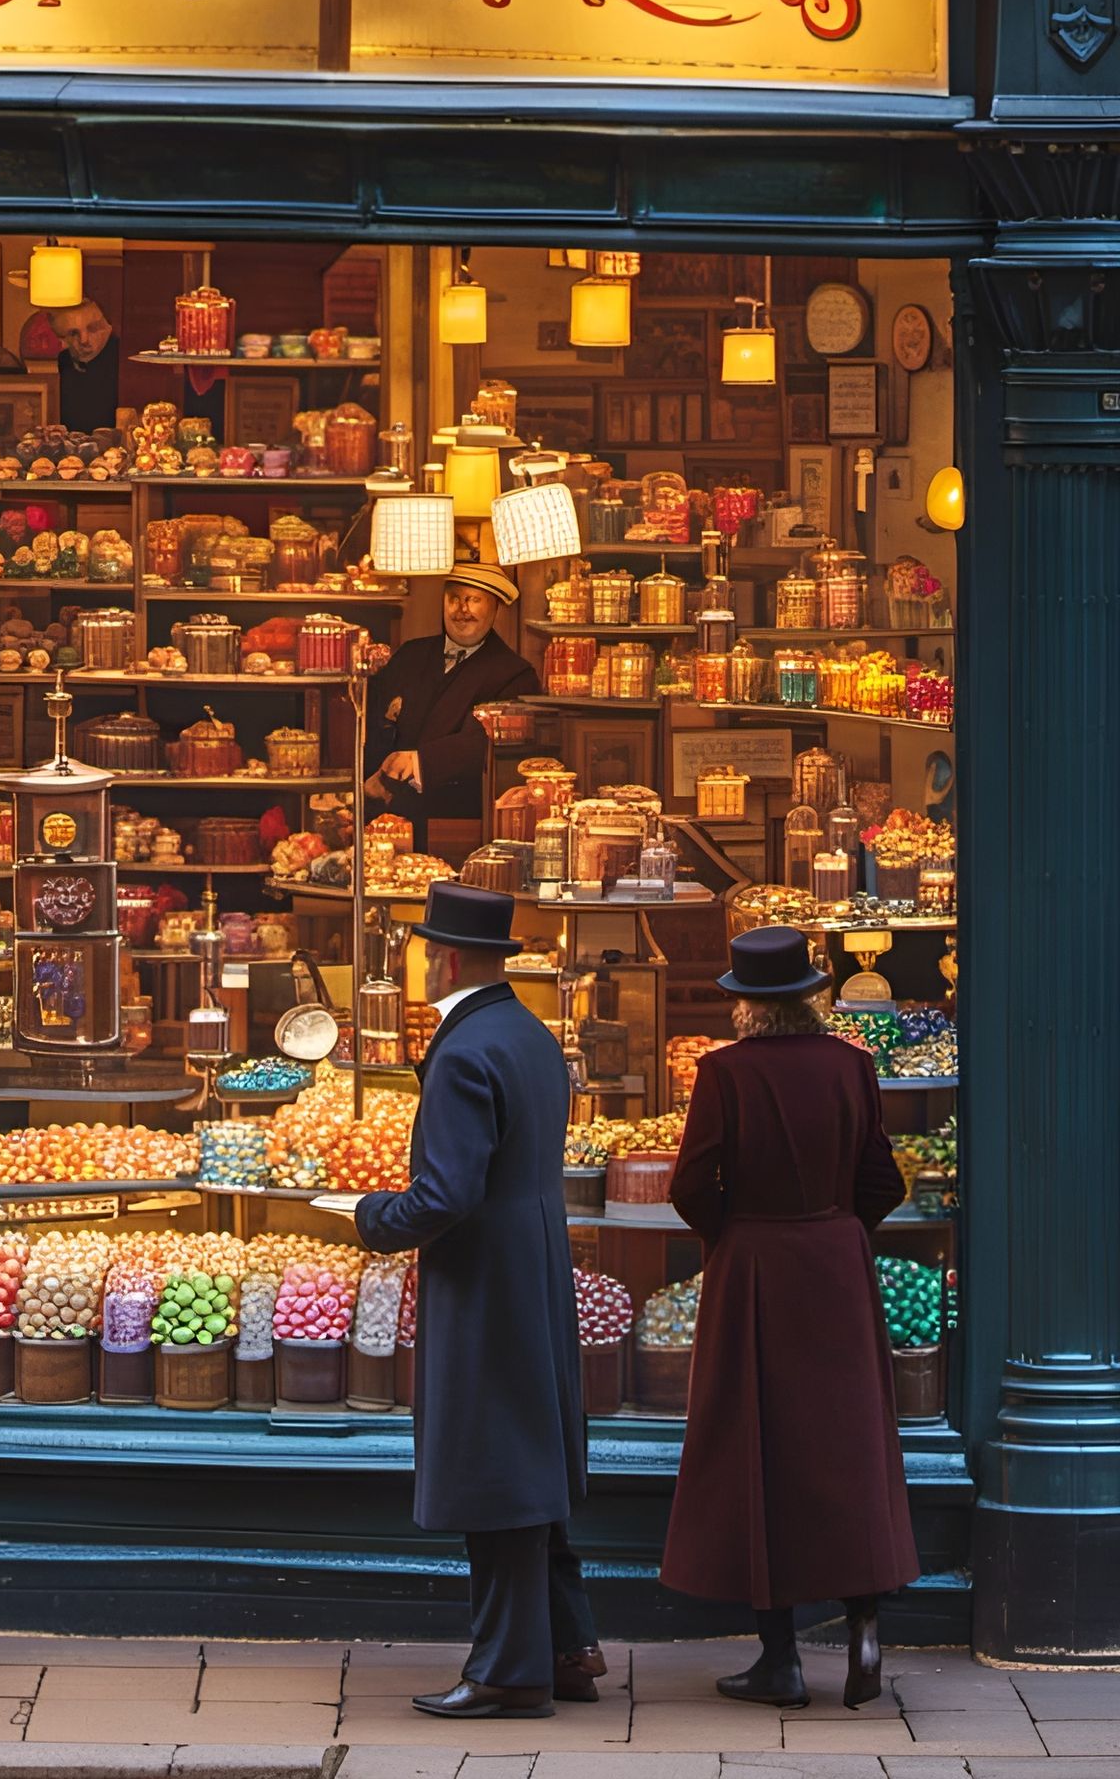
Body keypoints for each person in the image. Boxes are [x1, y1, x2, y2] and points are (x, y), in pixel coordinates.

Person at [354, 882, 600, 1718]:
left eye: (422, 947)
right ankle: (568, 1646)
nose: (416, 959)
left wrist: (366, 1216)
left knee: (497, 1466)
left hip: (485, 1279)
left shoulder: (462, 1052)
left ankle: (508, 1670)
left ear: (447, 956)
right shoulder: (528, 1033)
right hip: (534, 1264)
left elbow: (443, 1196)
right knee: (533, 1456)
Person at [660, 924, 919, 1710]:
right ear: (807, 996)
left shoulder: (723, 1072)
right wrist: (840, 1228)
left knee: (760, 1444)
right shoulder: (852, 1065)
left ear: (746, 1005)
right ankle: (864, 1625)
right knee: (850, 1441)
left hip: (755, 1267)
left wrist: (731, 1233)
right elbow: (885, 1179)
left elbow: (689, 1184)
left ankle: (781, 1659)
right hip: (836, 1262)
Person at [364, 564, 531, 852]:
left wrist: (416, 762)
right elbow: (375, 721)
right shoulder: (409, 655)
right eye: (453, 598)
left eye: (473, 599)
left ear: (495, 607)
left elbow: (481, 743)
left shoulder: (515, 674)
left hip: (454, 826)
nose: (461, 609)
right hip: (381, 820)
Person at [46, 296, 121, 432]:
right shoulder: (64, 361)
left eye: (93, 328)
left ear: (108, 326)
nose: (84, 340)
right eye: (73, 333)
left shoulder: (121, 356)